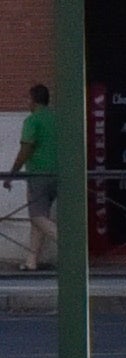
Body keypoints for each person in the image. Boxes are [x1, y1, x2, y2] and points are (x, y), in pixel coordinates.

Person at [7, 84, 58, 273]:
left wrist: (12, 173)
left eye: (28, 99)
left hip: (38, 174)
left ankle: (71, 247)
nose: (27, 102)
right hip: (61, 174)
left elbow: (26, 148)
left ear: (34, 100)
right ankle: (31, 261)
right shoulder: (57, 118)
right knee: (39, 219)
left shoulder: (32, 121)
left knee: (36, 217)